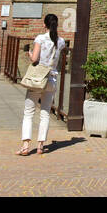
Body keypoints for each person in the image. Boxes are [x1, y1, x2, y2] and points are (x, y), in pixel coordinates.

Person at [19, 13, 66, 155]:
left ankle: (26, 146)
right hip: (52, 78)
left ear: (44, 24)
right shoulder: (61, 41)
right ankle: (40, 145)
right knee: (45, 112)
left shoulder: (40, 38)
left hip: (38, 79)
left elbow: (34, 59)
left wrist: (29, 53)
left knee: (29, 112)